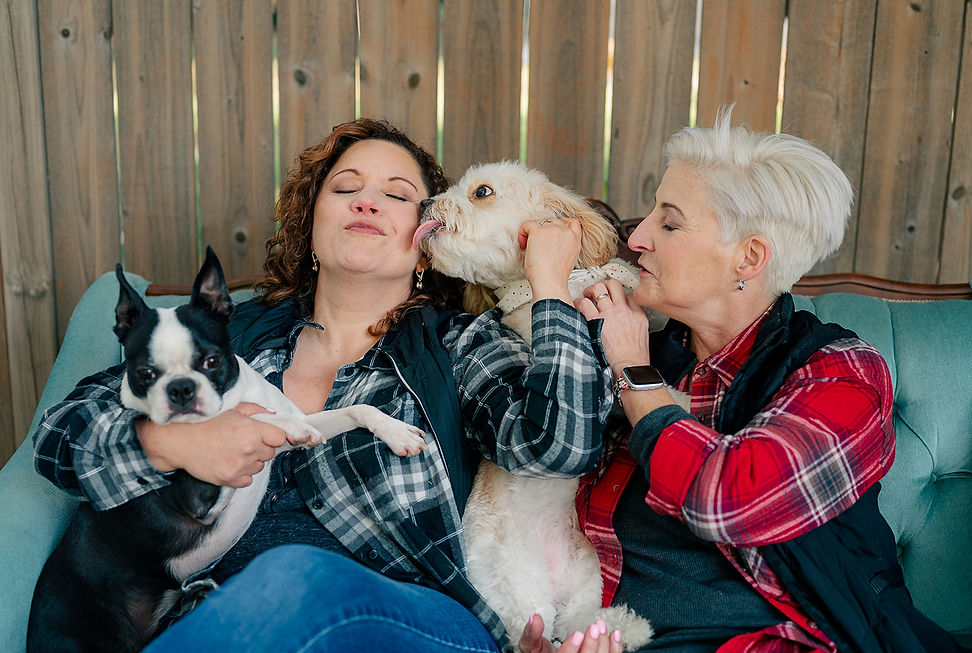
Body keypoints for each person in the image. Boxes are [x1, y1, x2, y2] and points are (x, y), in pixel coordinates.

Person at [31, 118, 622, 652]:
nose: (367, 201)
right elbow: (59, 435)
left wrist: (549, 288)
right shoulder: (224, 340)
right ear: (310, 227)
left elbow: (558, 446)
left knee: (294, 576)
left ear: (427, 240)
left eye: (397, 195)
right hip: (218, 619)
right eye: (345, 189)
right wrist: (170, 446)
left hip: (412, 620)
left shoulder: (459, 345)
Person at [519, 107, 964, 653]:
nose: (636, 238)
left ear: (748, 259)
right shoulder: (642, 350)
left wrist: (635, 375)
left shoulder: (840, 372)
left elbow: (732, 499)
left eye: (670, 222)